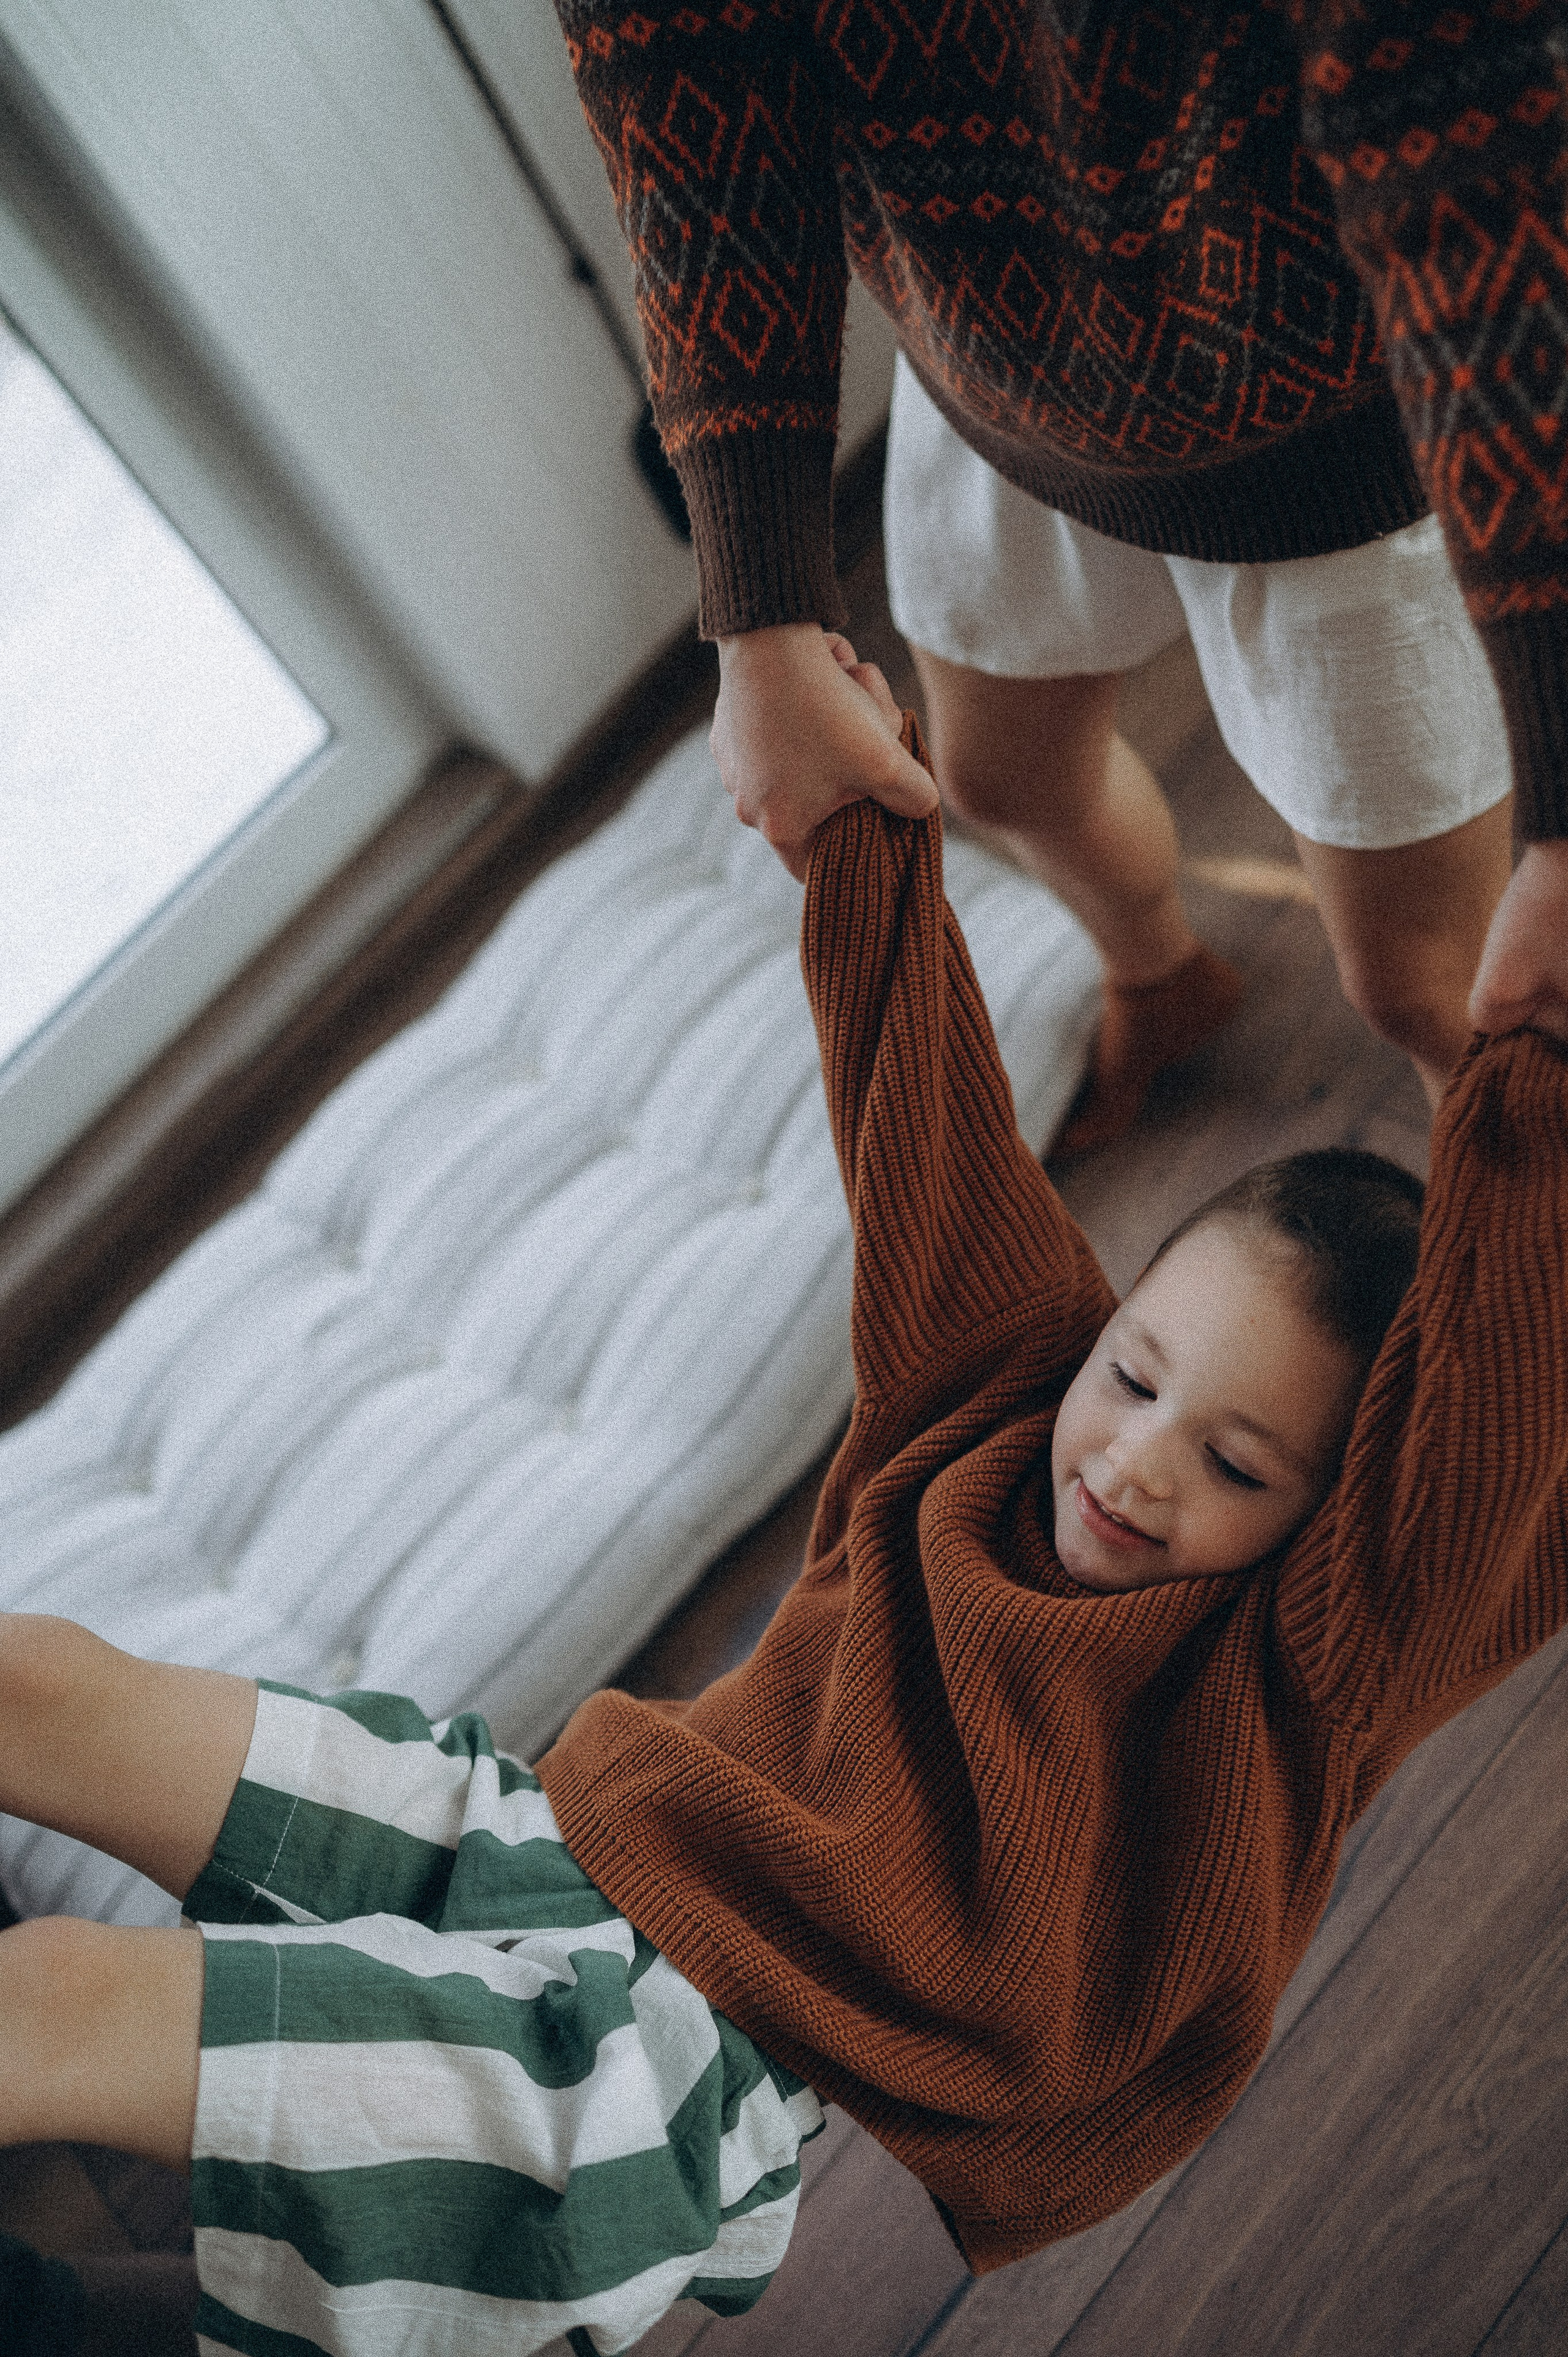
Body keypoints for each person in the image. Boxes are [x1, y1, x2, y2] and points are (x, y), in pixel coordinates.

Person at [0, 665, 1564, 2355]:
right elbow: (926, 1102)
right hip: (555, 1846)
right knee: (43, 1683)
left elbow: (1490, 1426)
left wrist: (1532, 1061)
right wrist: (846, 815)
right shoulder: (989, 1403)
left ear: (1331, 1523)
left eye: (1239, 1467)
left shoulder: (1301, 1667)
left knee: (57, 2003)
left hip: (661, 2091)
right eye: (1134, 1375)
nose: (1132, 1460)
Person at [556, 0, 1568, 1126]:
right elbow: (691, 140)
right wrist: (760, 621)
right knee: (1002, 778)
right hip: (997, 372)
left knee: (1429, 994)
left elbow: (1483, 206)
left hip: (1346, 446)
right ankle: (1162, 978)